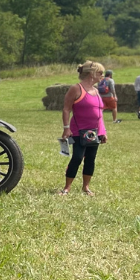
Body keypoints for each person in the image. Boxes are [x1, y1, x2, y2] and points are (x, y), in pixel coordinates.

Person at [61, 61, 108, 196]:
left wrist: (103, 131)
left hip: (94, 132)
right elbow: (66, 109)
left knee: (90, 158)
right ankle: (67, 187)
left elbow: (100, 114)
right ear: (92, 74)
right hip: (78, 131)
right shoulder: (76, 89)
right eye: (100, 73)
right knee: (77, 157)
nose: (102, 76)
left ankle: (85, 187)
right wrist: (66, 128)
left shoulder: (96, 91)